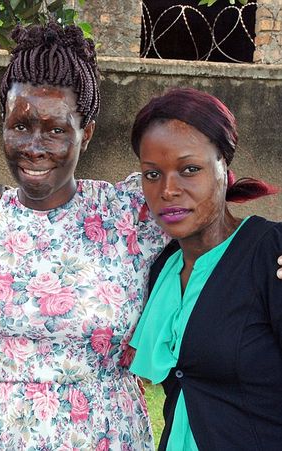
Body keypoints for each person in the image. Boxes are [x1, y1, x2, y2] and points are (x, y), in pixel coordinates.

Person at [0, 22, 167, 450]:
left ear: (85, 133)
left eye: (56, 130)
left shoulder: (131, 215)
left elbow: (212, 208)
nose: (34, 146)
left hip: (104, 436)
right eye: (20, 126)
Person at [129, 88, 282, 450]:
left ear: (223, 166)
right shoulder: (164, 268)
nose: (168, 190)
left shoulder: (269, 256)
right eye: (152, 174)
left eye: (190, 169)